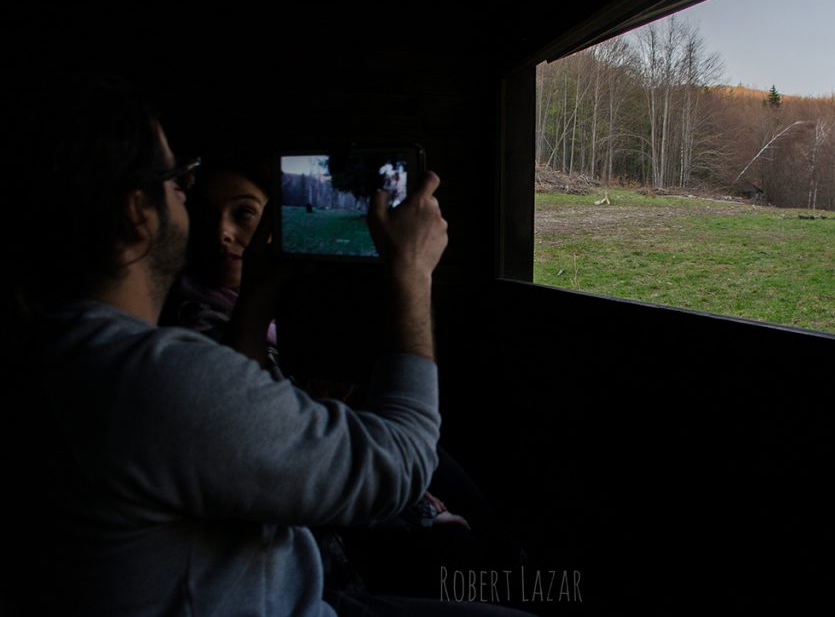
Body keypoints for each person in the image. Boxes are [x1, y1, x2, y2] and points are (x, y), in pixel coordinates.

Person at [7, 76, 529, 616]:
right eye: (179, 183)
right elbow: (398, 465)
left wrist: (255, 293)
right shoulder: (153, 375)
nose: (214, 232)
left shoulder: (58, 352)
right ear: (138, 212)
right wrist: (413, 274)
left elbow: (227, 423)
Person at [162, 153, 524, 599]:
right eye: (202, 215)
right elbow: (380, 469)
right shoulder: (192, 328)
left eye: (244, 214)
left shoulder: (244, 311)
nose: (222, 232)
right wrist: (411, 273)